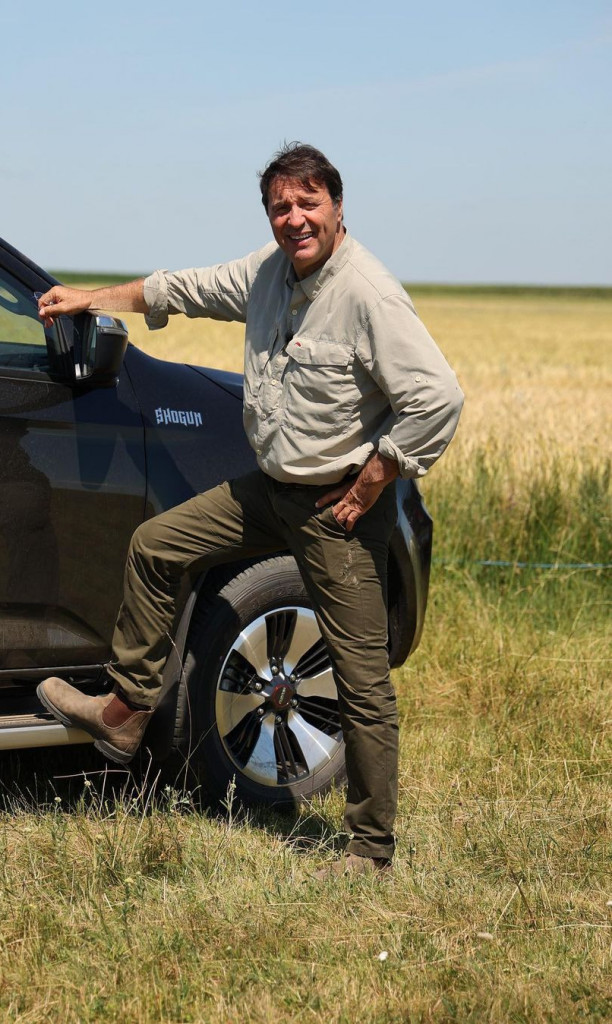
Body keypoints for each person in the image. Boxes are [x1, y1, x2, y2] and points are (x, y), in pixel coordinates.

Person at [36, 143, 463, 875]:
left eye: (308, 203)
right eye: (280, 207)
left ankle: (370, 847)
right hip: (268, 491)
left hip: (335, 510)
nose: (294, 219)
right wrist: (90, 300)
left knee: (362, 680)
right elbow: (183, 288)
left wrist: (369, 484)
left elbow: (438, 399)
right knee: (157, 545)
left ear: (337, 207)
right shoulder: (267, 273)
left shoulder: (368, 293)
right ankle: (126, 713)